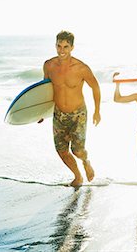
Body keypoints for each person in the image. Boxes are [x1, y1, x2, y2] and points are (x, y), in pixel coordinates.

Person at [39, 31, 101, 187]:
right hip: (58, 114)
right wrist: (40, 112)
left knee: (78, 151)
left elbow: (95, 87)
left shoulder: (81, 68)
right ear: (55, 45)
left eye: (66, 47)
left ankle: (86, 161)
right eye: (59, 46)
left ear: (72, 47)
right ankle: (78, 176)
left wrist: (97, 111)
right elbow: (45, 89)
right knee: (61, 150)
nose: (61, 50)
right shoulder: (49, 66)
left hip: (78, 114)